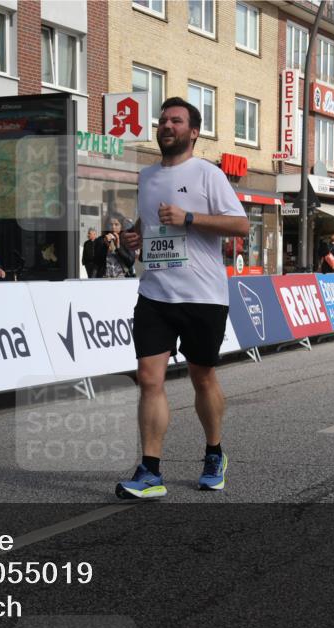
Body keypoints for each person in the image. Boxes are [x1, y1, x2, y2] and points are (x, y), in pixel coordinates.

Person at [114, 97, 249, 500]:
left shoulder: (208, 174)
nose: (166, 126)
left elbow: (240, 224)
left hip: (202, 295)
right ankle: (150, 471)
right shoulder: (146, 176)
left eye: (176, 120)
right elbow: (149, 225)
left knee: (202, 377)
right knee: (149, 379)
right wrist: (134, 237)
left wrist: (190, 218)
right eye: (162, 121)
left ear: (193, 132)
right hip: (155, 292)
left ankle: (214, 453)